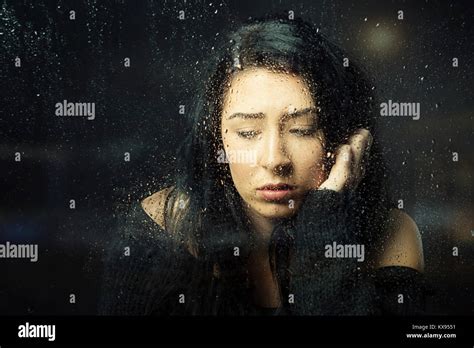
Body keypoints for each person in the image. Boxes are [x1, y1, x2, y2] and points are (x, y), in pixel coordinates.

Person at [99, 17, 425, 316]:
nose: (274, 160)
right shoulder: (166, 229)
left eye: (302, 129)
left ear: (343, 140)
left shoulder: (391, 234)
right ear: (217, 141)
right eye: (247, 133)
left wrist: (324, 220)